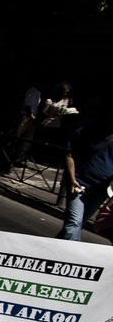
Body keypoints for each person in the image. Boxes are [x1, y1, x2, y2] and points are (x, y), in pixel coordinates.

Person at [56, 98, 113, 241]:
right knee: (73, 223)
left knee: (77, 224)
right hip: (80, 184)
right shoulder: (87, 129)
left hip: (101, 189)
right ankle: (73, 258)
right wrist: (73, 179)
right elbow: (70, 154)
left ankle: (50, 250)